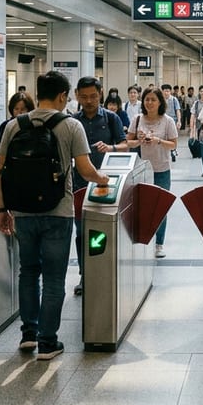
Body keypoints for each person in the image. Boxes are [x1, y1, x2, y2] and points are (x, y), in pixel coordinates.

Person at [0, 71, 109, 360]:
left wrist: (1, 208)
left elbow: (1, 172)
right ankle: (48, 342)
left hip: (21, 209)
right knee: (55, 278)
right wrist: (103, 179)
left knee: (28, 271)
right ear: (62, 96)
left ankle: (28, 334)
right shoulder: (71, 125)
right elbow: (85, 170)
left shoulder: (13, 125)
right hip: (58, 211)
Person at [73, 76, 128, 293]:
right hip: (79, 184)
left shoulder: (112, 118)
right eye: (84, 96)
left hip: (106, 185)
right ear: (77, 95)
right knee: (80, 233)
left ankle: (106, 272)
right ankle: (84, 275)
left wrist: (111, 148)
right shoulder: (73, 121)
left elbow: (124, 144)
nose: (89, 101)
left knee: (105, 229)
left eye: (93, 96)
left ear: (101, 94)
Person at [127, 87, 180, 258]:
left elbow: (173, 145)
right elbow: (129, 142)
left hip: (161, 170)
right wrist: (139, 139)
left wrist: (158, 141)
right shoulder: (137, 119)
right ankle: (143, 240)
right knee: (141, 207)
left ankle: (159, 243)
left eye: (153, 100)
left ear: (160, 102)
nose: (149, 103)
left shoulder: (167, 121)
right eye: (146, 99)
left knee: (161, 207)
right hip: (141, 170)